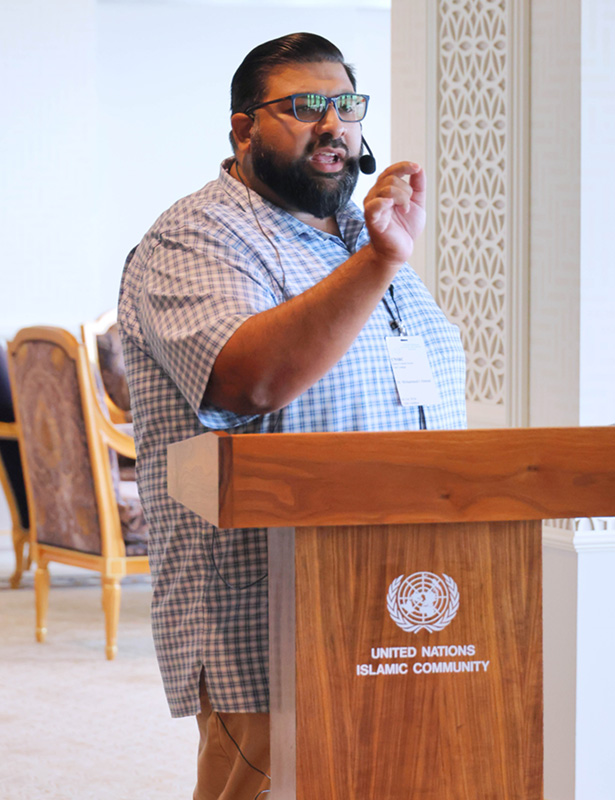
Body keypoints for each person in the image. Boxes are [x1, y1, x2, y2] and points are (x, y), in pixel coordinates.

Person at [118, 32, 467, 800]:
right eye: (305, 107)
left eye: (345, 106)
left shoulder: (355, 232)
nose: (333, 124)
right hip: (267, 606)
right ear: (243, 128)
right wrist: (376, 263)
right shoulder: (196, 236)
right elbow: (250, 381)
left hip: (401, 592)